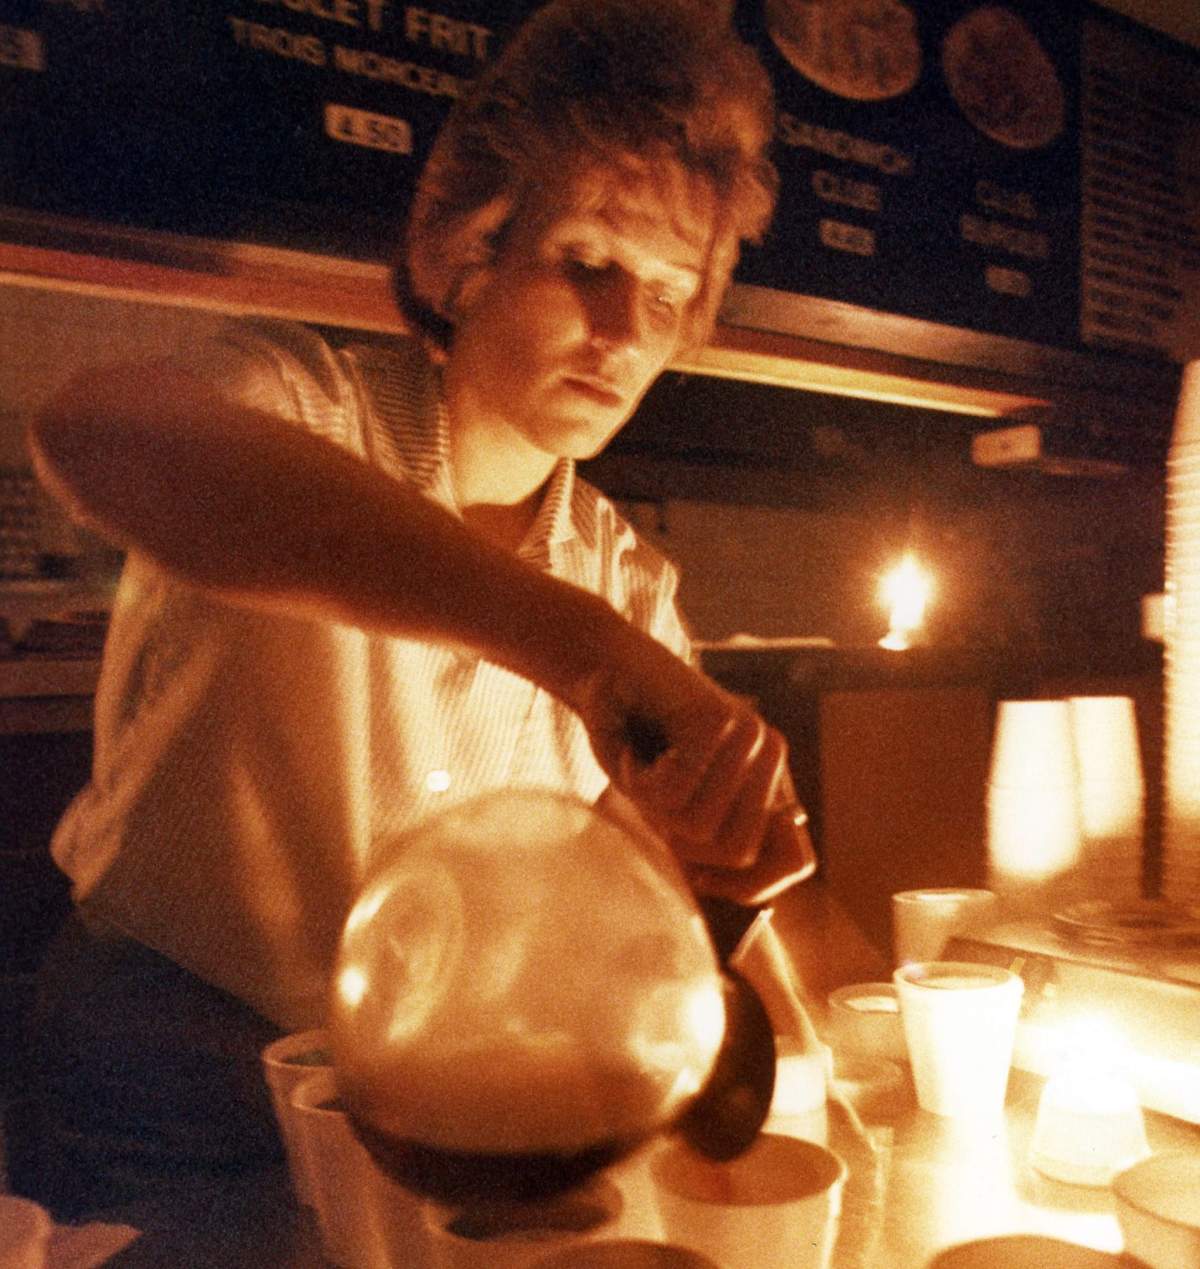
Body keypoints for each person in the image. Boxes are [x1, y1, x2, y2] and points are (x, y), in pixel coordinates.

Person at [18, 0, 815, 1215]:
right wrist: (577, 651)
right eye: (590, 263)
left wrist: (708, 881)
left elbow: (607, 910)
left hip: (441, 1099)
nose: (621, 331)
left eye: (666, 294)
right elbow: (93, 431)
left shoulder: (631, 583)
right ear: (468, 249)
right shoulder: (300, 404)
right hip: (173, 1066)